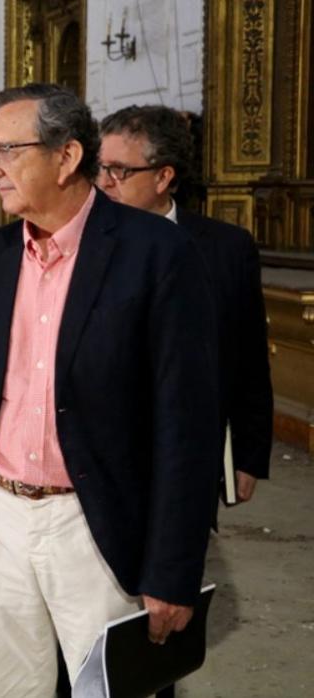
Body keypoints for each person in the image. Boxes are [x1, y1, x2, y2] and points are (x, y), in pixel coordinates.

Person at [0, 83, 221, 697]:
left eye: (6, 151)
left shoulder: (156, 254)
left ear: (66, 157)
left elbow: (185, 426)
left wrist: (172, 569)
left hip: (95, 524)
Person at [98, 104, 273, 501]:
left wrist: (248, 454)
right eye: (100, 168)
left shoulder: (227, 248)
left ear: (163, 176)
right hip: (101, 454)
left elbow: (247, 357)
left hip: (189, 448)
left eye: (119, 170)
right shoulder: (81, 246)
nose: (104, 183)